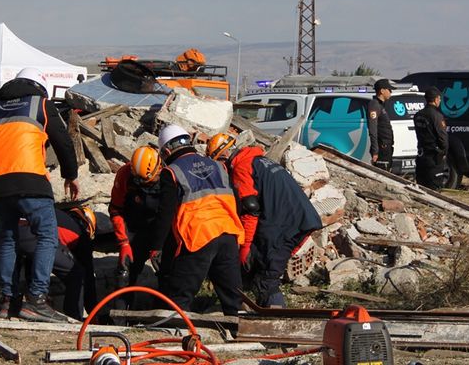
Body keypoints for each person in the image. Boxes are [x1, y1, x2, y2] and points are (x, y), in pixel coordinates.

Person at [0, 67, 80, 323]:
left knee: (7, 239)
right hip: (31, 181)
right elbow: (62, 140)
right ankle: (37, 299)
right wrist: (70, 174)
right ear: (39, 87)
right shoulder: (40, 105)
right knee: (46, 235)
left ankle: (8, 300)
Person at [206, 133, 321, 307]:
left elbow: (251, 209)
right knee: (262, 266)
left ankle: (275, 323)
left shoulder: (241, 167)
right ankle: (260, 310)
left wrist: (244, 248)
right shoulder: (260, 161)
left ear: (221, 159)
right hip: (301, 219)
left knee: (267, 277)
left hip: (285, 225)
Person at [154, 125, 244, 316]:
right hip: (228, 232)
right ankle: (241, 334)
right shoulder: (217, 165)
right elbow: (236, 199)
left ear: (167, 151)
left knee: (180, 296)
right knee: (232, 295)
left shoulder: (171, 172)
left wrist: (156, 246)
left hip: (198, 236)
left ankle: (178, 336)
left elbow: (165, 214)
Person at [8, 206, 97, 320]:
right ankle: (74, 317)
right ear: (89, 227)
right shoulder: (81, 234)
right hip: (28, 235)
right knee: (77, 274)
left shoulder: (59, 216)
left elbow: (34, 258)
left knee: (35, 255)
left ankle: (9, 303)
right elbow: (88, 277)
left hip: (7, 231)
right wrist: (94, 312)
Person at [108, 146, 178, 288]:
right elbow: (116, 210)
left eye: (149, 182)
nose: (144, 186)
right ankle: (122, 306)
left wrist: (160, 245)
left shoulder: (171, 176)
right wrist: (124, 243)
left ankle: (163, 306)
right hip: (136, 228)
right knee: (125, 274)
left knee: (168, 276)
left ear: (158, 169)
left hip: (163, 228)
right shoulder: (125, 175)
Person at [413, 86, 448, 190]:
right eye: (440, 98)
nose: (440, 101)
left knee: (422, 187)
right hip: (434, 158)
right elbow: (443, 138)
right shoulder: (437, 116)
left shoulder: (418, 115)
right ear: (436, 99)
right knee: (434, 188)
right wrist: (444, 152)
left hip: (421, 156)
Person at [368, 79, 395, 170]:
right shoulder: (374, 105)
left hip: (386, 147)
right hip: (381, 148)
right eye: (389, 90)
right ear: (382, 91)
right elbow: (373, 129)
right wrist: (375, 151)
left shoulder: (381, 105)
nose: (391, 92)